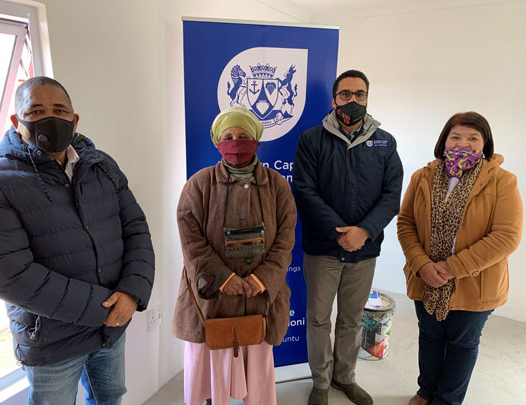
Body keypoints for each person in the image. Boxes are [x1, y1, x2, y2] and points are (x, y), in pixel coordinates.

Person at [0, 77, 155, 404]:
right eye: (35, 110)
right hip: (52, 340)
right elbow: (7, 273)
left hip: (111, 330)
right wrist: (102, 309)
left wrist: (133, 292)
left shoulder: (102, 166)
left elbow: (136, 228)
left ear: (74, 119)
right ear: (16, 121)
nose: (49, 117)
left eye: (59, 109)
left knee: (111, 398)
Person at [292, 70, 403, 405]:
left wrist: (364, 231)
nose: (352, 101)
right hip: (323, 248)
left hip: (365, 250)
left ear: (367, 98)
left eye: (359, 94)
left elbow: (392, 194)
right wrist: (339, 232)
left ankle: (345, 378)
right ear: (334, 99)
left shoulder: (385, 142)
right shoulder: (311, 139)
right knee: (318, 319)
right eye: (345, 94)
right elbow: (305, 191)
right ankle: (321, 383)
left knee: (352, 320)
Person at [172, 107, 296, 405]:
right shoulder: (199, 184)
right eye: (228, 136)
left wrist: (262, 278)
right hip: (212, 299)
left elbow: (285, 238)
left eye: (243, 136)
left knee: (258, 372)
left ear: (256, 141)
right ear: (217, 142)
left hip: (259, 298)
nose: (235, 142)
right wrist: (221, 277)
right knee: (207, 372)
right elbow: (190, 238)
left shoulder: (277, 185)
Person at [397, 111, 522, 405]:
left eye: (472, 138)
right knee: (430, 337)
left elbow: (507, 236)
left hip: (474, 283)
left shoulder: (502, 182)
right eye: (456, 136)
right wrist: (422, 265)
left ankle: (446, 400)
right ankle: (426, 391)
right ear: (444, 141)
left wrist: (452, 268)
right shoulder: (422, 176)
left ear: (484, 144)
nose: (463, 144)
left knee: (462, 344)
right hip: (425, 279)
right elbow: (406, 223)